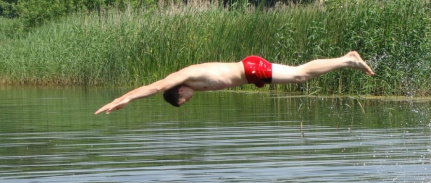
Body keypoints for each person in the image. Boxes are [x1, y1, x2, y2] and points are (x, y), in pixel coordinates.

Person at [95, 51, 374, 114]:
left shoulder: (182, 77)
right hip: (250, 73)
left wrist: (125, 99)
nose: (190, 99)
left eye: (184, 99)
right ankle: (345, 60)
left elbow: (155, 86)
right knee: (299, 76)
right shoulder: (187, 80)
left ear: (179, 90)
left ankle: (347, 60)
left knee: (300, 74)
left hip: (250, 68)